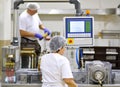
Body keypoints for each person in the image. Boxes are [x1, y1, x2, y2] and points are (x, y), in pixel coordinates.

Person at [19, 3, 50, 68]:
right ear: (30, 10)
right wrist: (35, 34)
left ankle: (35, 71)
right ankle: (26, 74)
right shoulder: (23, 17)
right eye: (35, 10)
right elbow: (21, 32)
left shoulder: (35, 14)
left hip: (34, 40)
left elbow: (40, 24)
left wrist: (44, 28)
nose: (36, 11)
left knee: (37, 55)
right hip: (26, 41)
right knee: (26, 60)